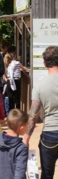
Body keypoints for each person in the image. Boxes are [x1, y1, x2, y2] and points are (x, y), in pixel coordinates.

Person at [24, 46, 58, 179]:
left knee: (47, 174)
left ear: (44, 63)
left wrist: (26, 138)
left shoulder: (39, 85)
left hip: (50, 134)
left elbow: (33, 114)